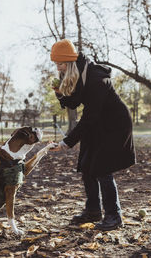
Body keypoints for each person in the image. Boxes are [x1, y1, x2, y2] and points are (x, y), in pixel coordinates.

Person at [49, 39, 136, 231]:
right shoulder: (79, 73)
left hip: (114, 124)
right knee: (87, 166)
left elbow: (89, 118)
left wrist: (66, 142)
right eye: (56, 64)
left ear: (70, 62)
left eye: (61, 64)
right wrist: (60, 94)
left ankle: (114, 216)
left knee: (102, 168)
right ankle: (93, 211)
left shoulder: (96, 78)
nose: (58, 68)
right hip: (98, 123)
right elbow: (74, 103)